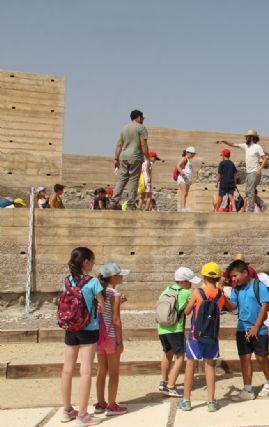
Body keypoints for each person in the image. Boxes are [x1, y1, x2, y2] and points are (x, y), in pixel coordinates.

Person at [177, 262, 234, 412]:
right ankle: (211, 401)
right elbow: (230, 307)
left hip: (196, 335)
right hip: (212, 336)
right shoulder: (220, 294)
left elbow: (187, 312)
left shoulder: (197, 292)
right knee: (210, 366)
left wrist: (191, 302)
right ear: (218, 277)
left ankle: (186, 401)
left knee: (190, 365)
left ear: (203, 276)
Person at [59, 247, 105, 426]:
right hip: (88, 328)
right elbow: (102, 306)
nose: (94, 263)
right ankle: (83, 415)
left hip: (70, 327)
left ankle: (67, 410)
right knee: (85, 371)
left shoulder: (67, 281)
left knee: (67, 369)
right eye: (92, 260)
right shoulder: (93, 282)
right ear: (85, 261)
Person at [226, 260, 269, 401]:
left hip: (261, 329)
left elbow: (265, 305)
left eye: (235, 276)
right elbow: (233, 307)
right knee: (244, 359)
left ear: (245, 273)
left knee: (261, 357)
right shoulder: (236, 289)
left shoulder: (259, 286)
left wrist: (256, 327)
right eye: (232, 277)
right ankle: (248, 389)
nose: (234, 279)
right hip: (242, 328)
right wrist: (223, 298)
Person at [157, 267, 200, 398]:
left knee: (167, 353)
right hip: (175, 328)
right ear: (183, 281)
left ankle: (163, 382)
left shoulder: (167, 290)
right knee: (180, 357)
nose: (191, 284)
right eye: (189, 281)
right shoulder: (187, 293)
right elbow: (187, 311)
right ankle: (171, 386)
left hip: (162, 327)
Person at [94, 263, 129, 416]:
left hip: (99, 336)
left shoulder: (100, 292)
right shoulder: (114, 293)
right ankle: (112, 405)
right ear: (113, 277)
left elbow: (104, 311)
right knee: (114, 372)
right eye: (120, 274)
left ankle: (100, 403)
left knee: (101, 370)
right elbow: (116, 320)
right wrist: (120, 342)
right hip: (111, 337)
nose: (123, 277)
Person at [216, 130, 268, 213]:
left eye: (247, 137)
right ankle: (262, 204)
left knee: (250, 191)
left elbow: (265, 159)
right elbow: (233, 144)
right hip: (248, 173)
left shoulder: (257, 147)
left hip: (255, 172)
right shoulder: (245, 146)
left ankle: (250, 210)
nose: (246, 138)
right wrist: (223, 141)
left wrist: (260, 169)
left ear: (251, 137)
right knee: (247, 192)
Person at [111, 110, 150, 210]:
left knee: (122, 179)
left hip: (123, 157)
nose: (143, 119)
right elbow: (143, 144)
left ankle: (114, 202)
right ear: (138, 117)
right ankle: (131, 204)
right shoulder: (141, 128)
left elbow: (119, 144)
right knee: (133, 179)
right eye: (142, 117)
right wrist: (148, 158)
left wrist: (116, 158)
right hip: (135, 157)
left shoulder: (124, 128)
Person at [176, 147, 197, 212]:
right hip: (182, 178)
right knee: (184, 193)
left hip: (187, 179)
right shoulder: (184, 159)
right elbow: (178, 166)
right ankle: (183, 208)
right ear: (187, 153)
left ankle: (183, 207)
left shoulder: (189, 160)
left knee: (186, 194)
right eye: (192, 154)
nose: (193, 155)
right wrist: (182, 174)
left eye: (194, 154)